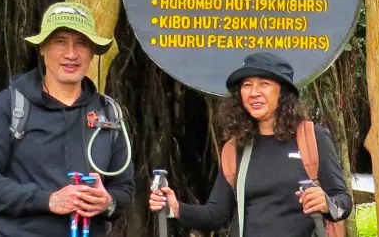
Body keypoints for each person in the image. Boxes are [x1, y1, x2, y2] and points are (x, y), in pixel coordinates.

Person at [0, 2, 135, 236]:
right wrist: (48, 200)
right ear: (43, 47)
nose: (72, 54)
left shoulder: (109, 113)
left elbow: (124, 188)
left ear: (93, 52)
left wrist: (108, 202)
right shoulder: (9, 107)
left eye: (82, 43)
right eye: (60, 41)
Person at [148, 52, 352, 236]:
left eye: (264, 83)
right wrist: (177, 209)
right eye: (247, 85)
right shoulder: (236, 147)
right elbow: (217, 214)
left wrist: (326, 203)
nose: (254, 92)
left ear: (283, 93)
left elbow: (343, 201)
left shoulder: (311, 137)